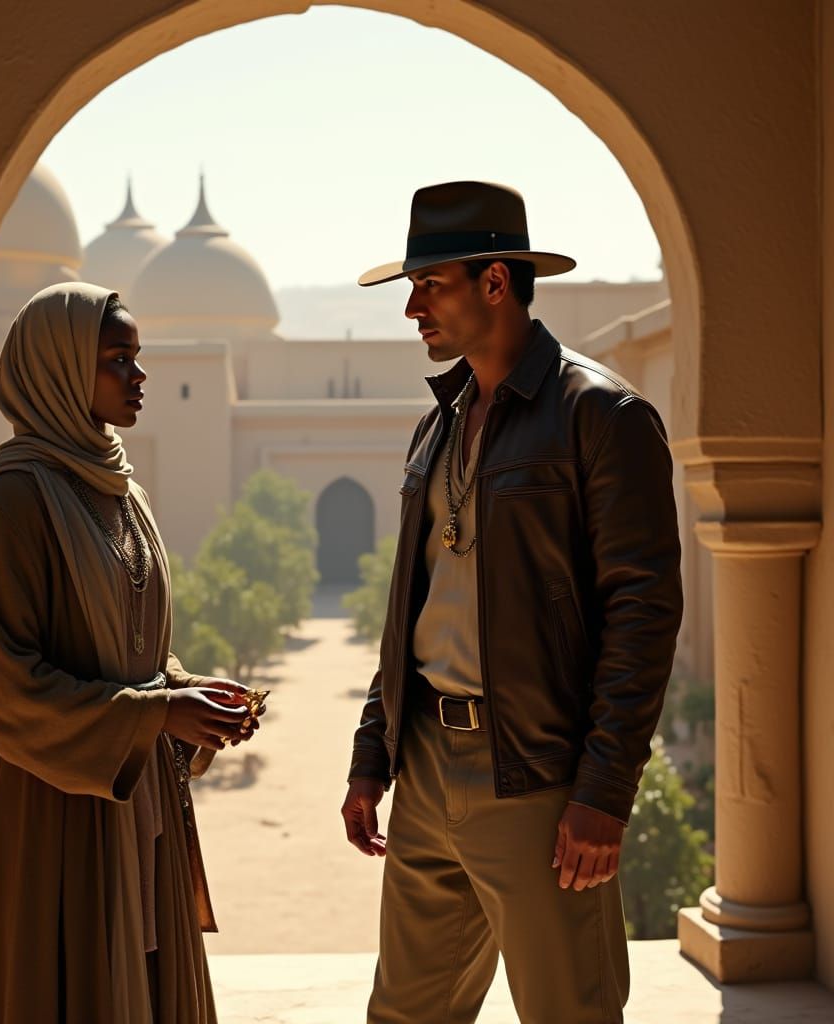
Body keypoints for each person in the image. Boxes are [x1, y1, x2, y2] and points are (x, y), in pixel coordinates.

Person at [340, 181, 683, 1023]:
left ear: (496, 283)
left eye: (431, 285)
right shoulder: (439, 423)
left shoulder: (600, 416)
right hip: (425, 769)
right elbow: (415, 603)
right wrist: (373, 749)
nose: (412, 307)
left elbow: (642, 613)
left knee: (570, 1010)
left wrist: (603, 792)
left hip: (536, 777)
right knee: (405, 1013)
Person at [0, 282, 259, 1024]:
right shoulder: (12, 498)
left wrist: (190, 695)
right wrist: (157, 713)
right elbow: (1, 688)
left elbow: (132, 644)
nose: (140, 376)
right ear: (59, 369)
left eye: (138, 357)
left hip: (137, 798)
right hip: (57, 810)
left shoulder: (121, 489)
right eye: (117, 359)